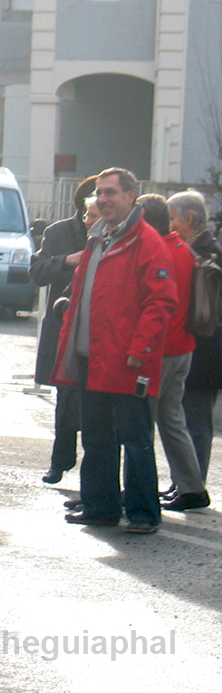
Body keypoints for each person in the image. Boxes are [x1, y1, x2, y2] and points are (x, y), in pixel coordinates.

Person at [53, 168, 176, 534]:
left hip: (126, 361)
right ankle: (101, 507)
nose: (103, 199)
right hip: (94, 357)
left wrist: (141, 349)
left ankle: (142, 514)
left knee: (135, 440)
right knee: (96, 437)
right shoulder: (100, 238)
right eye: (99, 194)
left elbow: (161, 301)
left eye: (110, 193)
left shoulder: (146, 242)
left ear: (131, 196)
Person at [134, 194, 208, 512]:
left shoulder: (158, 250)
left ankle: (142, 492)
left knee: (142, 422)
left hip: (161, 349)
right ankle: (192, 488)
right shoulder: (183, 248)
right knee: (171, 418)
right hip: (183, 346)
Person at [29, 176, 97, 485]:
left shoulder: (114, 234)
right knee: (65, 398)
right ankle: (60, 462)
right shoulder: (58, 232)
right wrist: (67, 260)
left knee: (95, 402)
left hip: (97, 329)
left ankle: (91, 471)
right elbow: (38, 272)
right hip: (63, 326)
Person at [168, 190, 222, 498]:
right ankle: (183, 483)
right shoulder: (200, 246)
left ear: (189, 218)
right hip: (200, 346)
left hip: (207, 348)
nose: (171, 225)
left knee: (197, 421)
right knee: (187, 419)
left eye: (174, 218)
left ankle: (193, 486)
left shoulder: (205, 252)